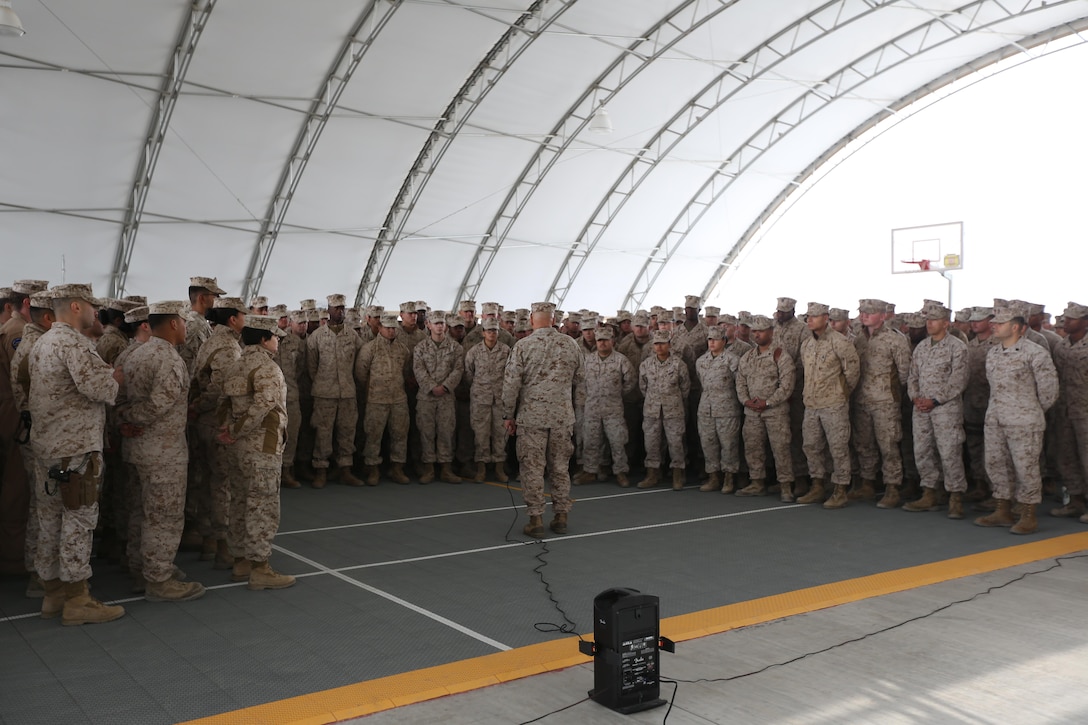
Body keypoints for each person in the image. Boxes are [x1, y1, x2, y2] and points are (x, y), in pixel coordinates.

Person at [29, 283, 125, 625]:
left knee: (51, 519)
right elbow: (99, 387)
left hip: (48, 447)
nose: (94, 311)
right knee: (78, 521)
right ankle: (77, 599)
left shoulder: (42, 342)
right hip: (75, 450)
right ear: (74, 307)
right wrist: (115, 376)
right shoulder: (73, 343)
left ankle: (53, 593)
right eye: (89, 306)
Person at [117, 301, 205, 602]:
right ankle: (159, 578)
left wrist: (123, 419)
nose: (186, 326)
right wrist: (131, 417)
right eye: (183, 320)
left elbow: (118, 399)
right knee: (163, 516)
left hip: (137, 448)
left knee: (139, 511)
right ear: (172, 324)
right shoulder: (169, 360)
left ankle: (140, 568)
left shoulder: (134, 354)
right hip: (162, 454)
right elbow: (157, 406)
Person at [217, 315, 295, 589]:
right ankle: (260, 567)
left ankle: (241, 561)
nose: (278, 342)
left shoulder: (235, 365)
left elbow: (224, 404)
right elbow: (263, 407)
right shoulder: (267, 368)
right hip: (262, 448)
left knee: (238, 502)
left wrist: (228, 431)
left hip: (238, 449)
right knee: (263, 506)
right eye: (275, 337)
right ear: (264, 339)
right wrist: (237, 429)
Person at [502, 302, 584, 537]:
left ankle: (536, 520)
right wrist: (574, 411)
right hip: (562, 418)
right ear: (553, 319)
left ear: (531, 319)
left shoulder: (523, 346)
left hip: (531, 419)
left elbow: (511, 385)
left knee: (532, 469)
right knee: (560, 468)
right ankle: (561, 516)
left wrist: (508, 415)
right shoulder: (570, 344)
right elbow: (581, 380)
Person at [974, 305, 1058, 534]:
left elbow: (1049, 391)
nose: (994, 326)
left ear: (1016, 327)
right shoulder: (993, 352)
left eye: (999, 323)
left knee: (1026, 467)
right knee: (995, 464)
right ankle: (1002, 509)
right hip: (996, 419)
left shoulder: (1035, 352)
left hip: (1024, 421)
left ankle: (1028, 514)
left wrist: (1028, 411)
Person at [190, 296, 245, 566]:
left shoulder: (211, 341)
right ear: (233, 319)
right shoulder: (228, 347)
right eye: (243, 314)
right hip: (217, 422)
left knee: (207, 481)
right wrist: (199, 408)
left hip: (204, 422)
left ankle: (209, 539)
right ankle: (223, 544)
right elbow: (220, 389)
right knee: (223, 484)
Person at [903, 304, 969, 518]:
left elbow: (959, 380)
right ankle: (929, 492)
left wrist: (935, 400)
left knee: (949, 452)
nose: (929, 323)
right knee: (922, 450)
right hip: (921, 408)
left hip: (946, 409)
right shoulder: (921, 347)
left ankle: (955, 496)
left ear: (946, 323)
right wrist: (915, 397)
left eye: (934, 320)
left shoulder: (957, 347)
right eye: (927, 320)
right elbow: (912, 376)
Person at [9, 290, 56, 595]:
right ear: (49, 317)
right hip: (42, 433)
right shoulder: (37, 345)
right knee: (45, 507)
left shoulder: (30, 343)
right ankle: (42, 575)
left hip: (35, 432)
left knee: (41, 505)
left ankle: (38, 572)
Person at [797, 302, 860, 508]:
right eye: (808, 317)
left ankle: (840, 489)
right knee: (811, 446)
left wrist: (840, 393)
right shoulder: (807, 344)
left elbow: (852, 373)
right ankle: (817, 485)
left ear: (826, 318)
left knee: (838, 447)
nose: (810, 320)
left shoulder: (840, 342)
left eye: (814, 316)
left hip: (834, 404)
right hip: (812, 404)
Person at [852, 299, 911, 506]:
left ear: (883, 315)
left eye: (869, 312)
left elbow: (905, 374)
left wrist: (895, 396)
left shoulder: (895, 340)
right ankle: (867, 484)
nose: (864, 315)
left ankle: (892, 487)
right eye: (862, 312)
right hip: (862, 400)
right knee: (864, 444)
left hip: (885, 401)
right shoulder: (858, 339)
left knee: (889, 445)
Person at [306, 294, 364, 487]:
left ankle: (345, 469)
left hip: (347, 392)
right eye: (337, 308)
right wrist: (323, 383)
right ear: (329, 310)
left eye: (342, 308)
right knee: (323, 432)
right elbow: (311, 366)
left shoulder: (352, 335)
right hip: (324, 393)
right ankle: (321, 470)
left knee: (347, 431)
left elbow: (359, 363)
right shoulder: (317, 337)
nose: (340, 311)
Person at [736, 315, 795, 501]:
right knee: (753, 448)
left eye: (761, 331)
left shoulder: (781, 355)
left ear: (771, 331)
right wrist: (746, 401)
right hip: (752, 412)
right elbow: (740, 382)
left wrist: (767, 402)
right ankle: (757, 482)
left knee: (781, 449)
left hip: (775, 412)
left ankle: (785, 486)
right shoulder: (747, 357)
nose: (757, 334)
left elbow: (787, 385)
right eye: (754, 331)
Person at [356, 313, 412, 485]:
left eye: (394, 328)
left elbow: (407, 372)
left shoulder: (403, 349)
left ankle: (397, 469)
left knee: (400, 435)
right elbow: (361, 374)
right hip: (376, 399)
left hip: (398, 399)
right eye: (387, 328)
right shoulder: (369, 348)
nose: (391, 331)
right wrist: (373, 390)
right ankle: (372, 469)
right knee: (373, 435)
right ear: (379, 328)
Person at [577, 325, 637, 487]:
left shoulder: (620, 360)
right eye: (599, 340)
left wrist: (616, 394)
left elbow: (630, 381)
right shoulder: (588, 361)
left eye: (605, 340)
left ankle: (620, 472)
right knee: (590, 441)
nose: (602, 343)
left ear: (612, 341)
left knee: (618, 441)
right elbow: (581, 383)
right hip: (592, 409)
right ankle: (590, 471)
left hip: (613, 409)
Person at [413, 311, 465, 484]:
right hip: (426, 397)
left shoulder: (455, 348)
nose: (439, 326)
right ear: (428, 324)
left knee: (446, 432)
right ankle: (428, 468)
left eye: (442, 323)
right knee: (426, 432)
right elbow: (418, 370)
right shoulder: (420, 348)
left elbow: (458, 370)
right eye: (436, 323)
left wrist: (445, 387)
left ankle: (445, 468)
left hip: (446, 397)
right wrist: (431, 387)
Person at [639, 330, 690, 491]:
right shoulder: (646, 365)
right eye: (656, 343)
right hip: (652, 410)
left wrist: (672, 399)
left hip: (673, 409)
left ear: (669, 344)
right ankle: (652, 474)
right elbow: (643, 387)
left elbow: (685, 388)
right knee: (651, 443)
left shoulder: (678, 364)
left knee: (675, 443)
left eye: (662, 343)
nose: (659, 346)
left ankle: (677, 474)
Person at [1051, 302, 1088, 521]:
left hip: (1085, 410)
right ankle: (1075, 500)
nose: (1067, 321)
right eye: (1066, 318)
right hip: (1064, 410)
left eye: (1072, 318)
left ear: (1085, 321)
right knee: (1066, 455)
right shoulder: (1061, 346)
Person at [695, 327, 743, 493]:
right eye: (710, 339)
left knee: (728, 444)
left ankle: (729, 478)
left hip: (727, 409)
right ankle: (713, 477)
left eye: (716, 339)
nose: (712, 342)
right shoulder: (701, 361)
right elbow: (700, 381)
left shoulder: (733, 360)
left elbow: (740, 384)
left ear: (724, 340)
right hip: (706, 409)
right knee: (708, 444)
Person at [463, 318, 510, 483]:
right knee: (480, 434)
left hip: (500, 399)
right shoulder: (474, 351)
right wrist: (479, 387)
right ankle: (481, 468)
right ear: (483, 332)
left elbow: (511, 375)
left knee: (500, 434)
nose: (492, 333)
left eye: (495, 330)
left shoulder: (506, 351)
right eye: (489, 330)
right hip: (480, 399)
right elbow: (468, 374)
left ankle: (499, 468)